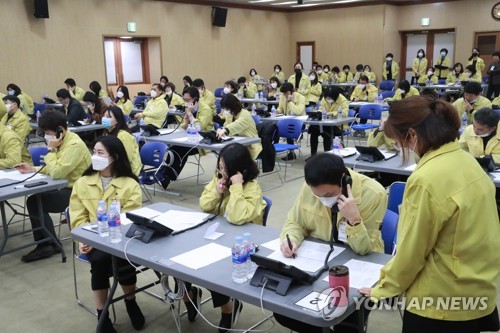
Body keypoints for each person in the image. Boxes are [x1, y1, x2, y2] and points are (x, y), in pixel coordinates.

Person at [359, 96, 500, 333]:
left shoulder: (426, 179)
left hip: (439, 301)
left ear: (413, 135)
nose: (399, 147)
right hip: (477, 288)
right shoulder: (467, 161)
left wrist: (382, 289)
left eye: (397, 141)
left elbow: (412, 251)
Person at [274, 153, 386, 333]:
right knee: (284, 311)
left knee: (347, 322)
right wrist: (291, 238)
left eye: (328, 195)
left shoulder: (374, 194)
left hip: (358, 268)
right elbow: (295, 222)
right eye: (318, 196)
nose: (323, 200)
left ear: (344, 180)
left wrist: (354, 220)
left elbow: (364, 250)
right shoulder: (310, 189)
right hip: (317, 263)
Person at [182, 143, 265, 333]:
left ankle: (229, 309)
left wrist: (236, 188)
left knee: (214, 272)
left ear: (239, 169)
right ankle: (190, 295)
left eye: (225, 168)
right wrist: (216, 192)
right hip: (216, 235)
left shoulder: (252, 188)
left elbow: (237, 218)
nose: (221, 172)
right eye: (219, 167)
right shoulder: (219, 177)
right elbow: (204, 205)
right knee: (180, 264)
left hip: (241, 243)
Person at [70, 136, 144, 333]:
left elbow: (130, 219)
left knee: (123, 257)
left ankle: (131, 301)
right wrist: (85, 240)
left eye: (100, 153)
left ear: (115, 157)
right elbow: (78, 216)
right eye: (94, 152)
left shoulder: (130, 184)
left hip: (121, 239)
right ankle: (102, 314)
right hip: (93, 240)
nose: (95, 156)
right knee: (100, 260)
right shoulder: (83, 182)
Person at [16, 111, 91, 262]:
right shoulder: (61, 141)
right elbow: (54, 167)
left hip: (79, 192)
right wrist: (33, 169)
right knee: (35, 199)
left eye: (47, 133)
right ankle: (46, 243)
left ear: (60, 131)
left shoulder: (74, 145)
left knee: (36, 202)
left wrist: (50, 150)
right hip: (65, 186)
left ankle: (49, 244)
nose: (46, 136)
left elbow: (56, 172)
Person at [156, 87, 213, 189]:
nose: (185, 102)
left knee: (180, 149)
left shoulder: (206, 109)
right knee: (173, 147)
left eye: (188, 100)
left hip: (203, 140)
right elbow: (184, 127)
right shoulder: (188, 108)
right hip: (189, 137)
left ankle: (168, 176)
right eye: (184, 100)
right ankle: (165, 174)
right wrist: (186, 121)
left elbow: (199, 127)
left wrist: (190, 114)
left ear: (195, 99)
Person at [215, 94, 262, 160]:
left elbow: (236, 125)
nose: (225, 110)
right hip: (236, 144)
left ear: (232, 107)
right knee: (224, 155)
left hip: (250, 145)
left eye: (226, 108)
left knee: (229, 157)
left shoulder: (245, 114)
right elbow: (226, 126)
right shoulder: (230, 115)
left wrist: (225, 129)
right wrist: (220, 129)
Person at [102, 106, 142, 176]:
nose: (104, 118)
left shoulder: (124, 136)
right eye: (104, 116)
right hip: (113, 166)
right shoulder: (106, 133)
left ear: (117, 120)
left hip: (128, 170)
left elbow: (126, 158)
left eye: (108, 116)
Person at [309, 87, 348, 156]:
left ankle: (327, 156)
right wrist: (319, 113)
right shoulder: (325, 99)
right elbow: (321, 108)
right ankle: (313, 155)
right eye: (327, 98)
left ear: (335, 97)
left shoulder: (343, 100)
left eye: (329, 98)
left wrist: (332, 113)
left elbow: (345, 113)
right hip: (325, 124)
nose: (328, 100)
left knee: (326, 133)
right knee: (313, 130)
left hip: (338, 126)